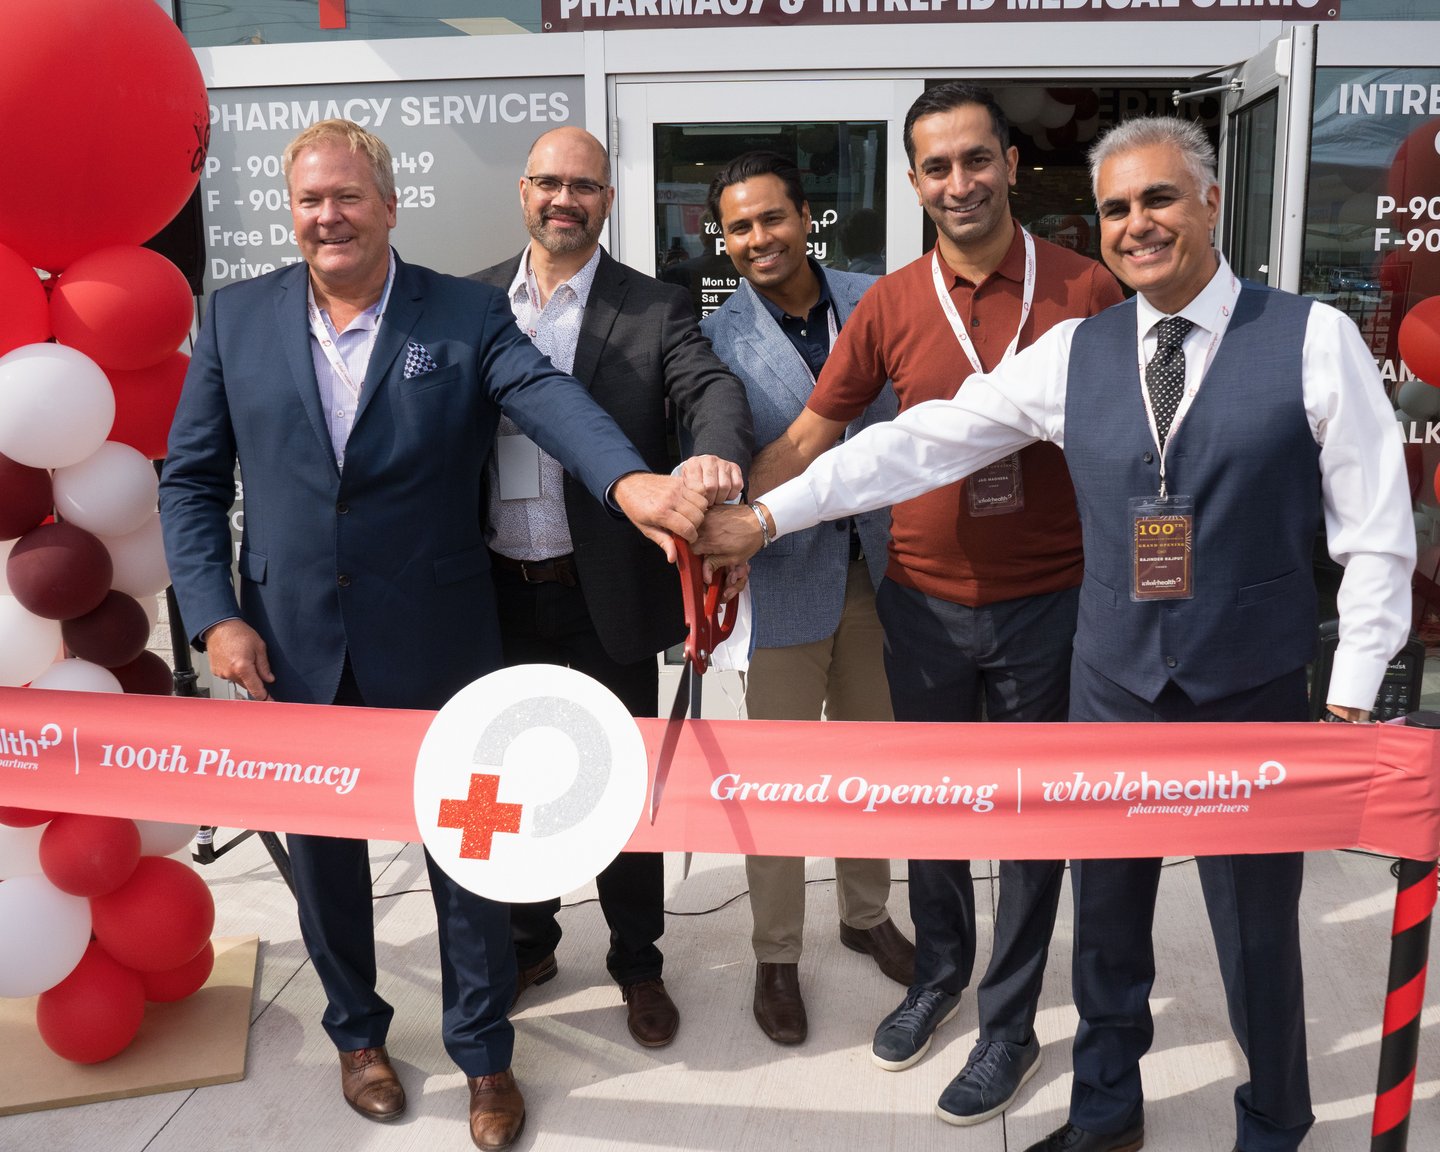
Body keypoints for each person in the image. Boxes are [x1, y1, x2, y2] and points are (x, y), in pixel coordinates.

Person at [695, 115, 1414, 1152]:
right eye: (1118, 208)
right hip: (1113, 684)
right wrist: (767, 516)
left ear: (1211, 202)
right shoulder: (1075, 351)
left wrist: (1348, 700)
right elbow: (915, 445)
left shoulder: (1309, 337)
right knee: (1107, 929)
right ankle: (1106, 1114)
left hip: (1251, 690)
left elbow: (1378, 536)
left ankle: (1273, 1120)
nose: (1137, 225)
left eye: (1160, 199)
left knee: (1256, 935)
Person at [158, 119, 714, 1152]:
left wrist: (628, 478)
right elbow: (191, 481)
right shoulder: (235, 320)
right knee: (326, 862)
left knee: (471, 856)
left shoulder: (460, 316)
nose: (329, 216)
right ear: (294, 211)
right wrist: (215, 613)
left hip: (444, 645)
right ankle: (358, 1035)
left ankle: (485, 1055)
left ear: (387, 204)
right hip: (290, 644)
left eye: (348, 197)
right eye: (311, 200)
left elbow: (547, 398)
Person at [739, 83, 1122, 1125]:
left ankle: (1010, 1022)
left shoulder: (1088, 287)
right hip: (922, 604)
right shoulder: (892, 303)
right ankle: (940, 973)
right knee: (937, 809)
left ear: (1009, 163)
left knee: (1033, 826)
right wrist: (730, 523)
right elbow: (814, 435)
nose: (959, 183)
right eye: (937, 167)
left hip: (1051, 602)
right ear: (913, 183)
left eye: (975, 160)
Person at [471, 126, 753, 1050]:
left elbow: (707, 386)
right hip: (493, 592)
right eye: (549, 182)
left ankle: (638, 960)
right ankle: (528, 941)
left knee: (620, 783)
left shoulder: (654, 307)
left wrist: (711, 451)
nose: (565, 199)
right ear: (522, 192)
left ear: (607, 200)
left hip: (607, 595)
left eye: (584, 186)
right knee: (508, 781)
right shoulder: (464, 303)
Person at [700, 150, 912, 1046]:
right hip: (782, 579)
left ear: (806, 215)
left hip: (888, 573)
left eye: (771, 218)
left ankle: (865, 915)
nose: (758, 239)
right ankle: (776, 953)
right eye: (739, 227)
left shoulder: (884, 299)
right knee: (777, 778)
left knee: (871, 765)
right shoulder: (715, 336)